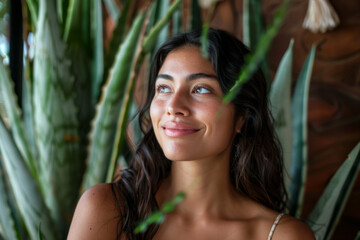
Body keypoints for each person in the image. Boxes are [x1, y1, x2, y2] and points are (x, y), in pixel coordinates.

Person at [67, 29, 315, 240]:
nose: (173, 106)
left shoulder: (281, 235)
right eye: (164, 88)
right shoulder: (108, 210)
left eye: (201, 89)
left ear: (242, 117)